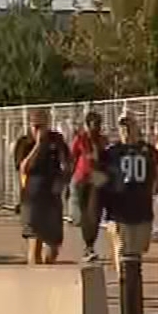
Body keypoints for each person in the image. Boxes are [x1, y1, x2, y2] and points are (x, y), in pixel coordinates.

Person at [101, 109, 158, 270]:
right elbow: (100, 176)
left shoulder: (148, 150)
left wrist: (156, 187)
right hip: (118, 209)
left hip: (141, 206)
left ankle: (133, 284)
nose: (126, 130)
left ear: (137, 126)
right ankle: (124, 284)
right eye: (123, 126)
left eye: (130, 125)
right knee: (121, 248)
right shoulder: (112, 151)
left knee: (137, 250)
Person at [18, 109, 70, 265]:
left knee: (54, 244)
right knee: (35, 241)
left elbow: (67, 164)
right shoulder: (24, 142)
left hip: (51, 196)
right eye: (35, 127)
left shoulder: (57, 139)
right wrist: (38, 145)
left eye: (42, 126)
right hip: (32, 196)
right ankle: (35, 278)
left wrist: (63, 181)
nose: (38, 130)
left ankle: (47, 268)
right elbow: (23, 168)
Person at [69, 111, 107, 263]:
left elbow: (106, 159)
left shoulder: (102, 140)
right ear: (87, 125)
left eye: (98, 125)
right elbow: (72, 158)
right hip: (82, 178)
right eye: (93, 125)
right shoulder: (80, 139)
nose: (96, 128)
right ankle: (88, 244)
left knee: (94, 213)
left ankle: (90, 244)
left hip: (97, 178)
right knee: (85, 214)